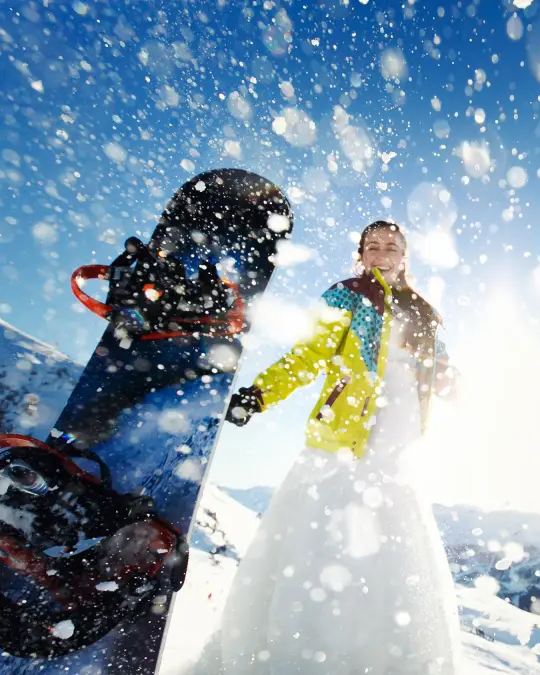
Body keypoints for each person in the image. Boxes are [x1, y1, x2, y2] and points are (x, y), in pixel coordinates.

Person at [198, 220, 462, 674]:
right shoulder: (346, 295)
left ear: (405, 256)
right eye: (373, 246)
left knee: (391, 554)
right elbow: (308, 354)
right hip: (343, 440)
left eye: (392, 246)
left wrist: (456, 383)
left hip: (397, 447)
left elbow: (442, 369)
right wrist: (260, 394)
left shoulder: (424, 311)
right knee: (322, 548)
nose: (382, 253)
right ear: (361, 254)